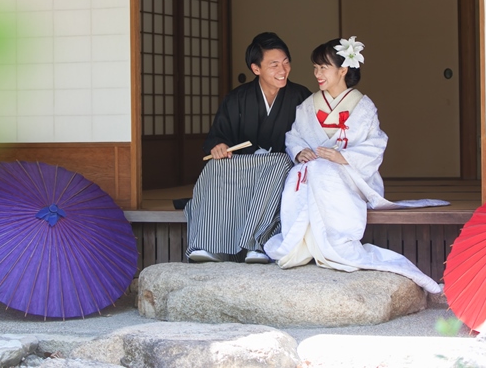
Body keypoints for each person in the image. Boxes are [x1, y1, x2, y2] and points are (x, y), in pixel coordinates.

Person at [264, 37, 448, 293]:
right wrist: (299, 152)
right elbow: (294, 136)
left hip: (349, 175)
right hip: (316, 168)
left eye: (324, 67)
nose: (317, 74)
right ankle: (300, 242)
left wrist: (343, 157)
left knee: (322, 172)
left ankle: (335, 242)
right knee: (299, 173)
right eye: (315, 67)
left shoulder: (363, 106)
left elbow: (376, 144)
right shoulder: (308, 105)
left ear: (343, 70)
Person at [185, 32, 312, 264]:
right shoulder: (237, 98)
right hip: (243, 165)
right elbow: (219, 135)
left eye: (285, 62)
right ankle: (209, 243)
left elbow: (310, 135)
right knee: (214, 167)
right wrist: (219, 146)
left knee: (279, 164)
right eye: (274, 65)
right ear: (256, 69)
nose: (282, 70)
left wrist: (301, 151)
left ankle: (259, 244)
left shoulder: (301, 97)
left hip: (279, 167)